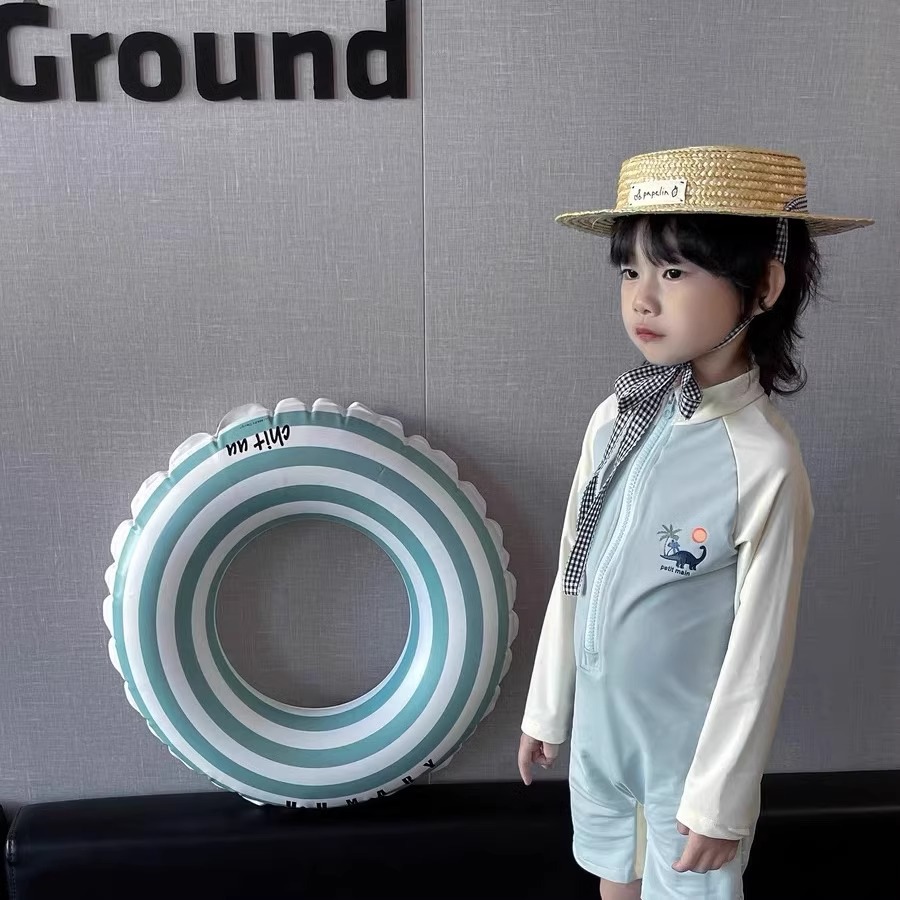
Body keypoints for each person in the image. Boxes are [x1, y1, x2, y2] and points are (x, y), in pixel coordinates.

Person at [516, 145, 874, 900]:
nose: (642, 300)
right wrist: (548, 706)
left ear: (763, 286)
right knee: (613, 882)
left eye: (675, 272)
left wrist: (720, 800)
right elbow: (576, 566)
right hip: (602, 737)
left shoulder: (763, 461)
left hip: (686, 759)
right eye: (630, 271)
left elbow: (759, 653)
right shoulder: (616, 418)